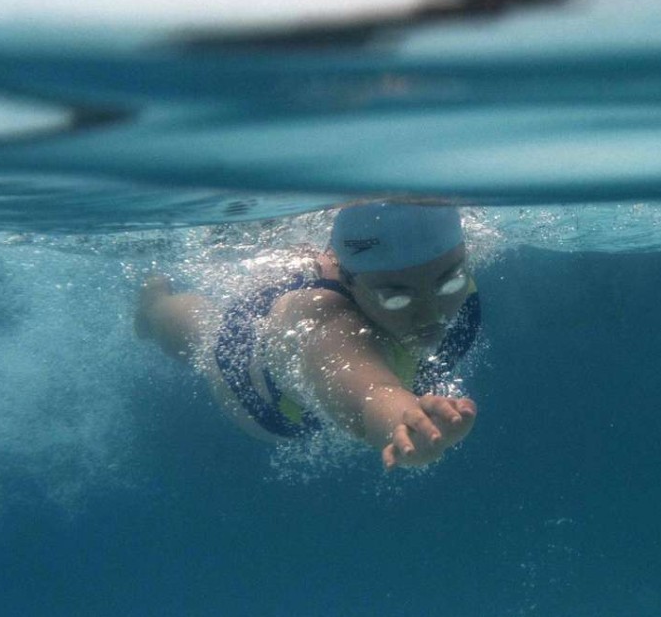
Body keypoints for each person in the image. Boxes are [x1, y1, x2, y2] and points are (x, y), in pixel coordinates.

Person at [135, 201, 480, 470]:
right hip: (259, 383)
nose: (430, 311)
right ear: (348, 282)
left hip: (313, 294)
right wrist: (402, 422)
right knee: (205, 329)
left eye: (449, 281)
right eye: (397, 297)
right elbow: (372, 392)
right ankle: (154, 305)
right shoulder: (329, 328)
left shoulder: (440, 274)